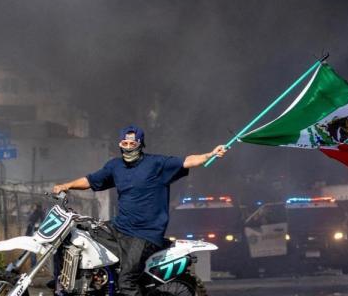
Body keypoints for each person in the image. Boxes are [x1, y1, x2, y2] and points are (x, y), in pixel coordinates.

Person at [51, 125, 226, 296]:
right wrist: (66, 185)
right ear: (120, 144)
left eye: (132, 144)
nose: (128, 148)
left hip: (144, 234)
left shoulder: (156, 164)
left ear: (140, 144)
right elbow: (91, 180)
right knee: (77, 237)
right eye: (124, 144)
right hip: (119, 227)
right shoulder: (115, 166)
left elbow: (187, 161)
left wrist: (210, 154)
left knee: (127, 282)